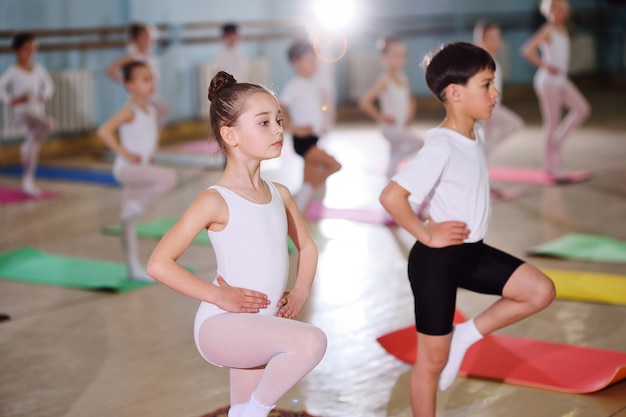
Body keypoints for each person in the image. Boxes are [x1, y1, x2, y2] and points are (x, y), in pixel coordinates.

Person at [379, 42, 555, 417]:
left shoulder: (473, 135)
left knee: (539, 291)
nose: (496, 94)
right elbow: (393, 196)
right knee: (431, 362)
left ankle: (467, 335)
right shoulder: (441, 146)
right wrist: (426, 235)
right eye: (487, 85)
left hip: (471, 252)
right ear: (455, 94)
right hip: (436, 263)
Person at [146, 71, 327, 417]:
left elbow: (308, 246)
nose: (277, 129)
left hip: (260, 323)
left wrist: (300, 291)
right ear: (230, 135)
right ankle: (253, 409)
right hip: (223, 325)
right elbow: (159, 263)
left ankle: (248, 411)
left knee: (245, 408)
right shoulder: (216, 200)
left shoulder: (280, 194)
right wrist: (218, 295)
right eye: (263, 123)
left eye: (278, 120)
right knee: (311, 341)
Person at [98, 61, 177, 281]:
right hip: (127, 169)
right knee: (169, 178)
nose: (151, 83)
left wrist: (151, 154)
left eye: (151, 78)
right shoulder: (129, 110)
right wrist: (123, 152)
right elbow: (104, 131)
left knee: (128, 222)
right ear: (130, 84)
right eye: (144, 79)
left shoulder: (150, 109)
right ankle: (136, 207)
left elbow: (149, 136)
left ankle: (133, 268)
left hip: (141, 169)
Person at [521, 0, 591, 180]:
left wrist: (563, 65)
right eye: (559, 9)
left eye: (565, 9)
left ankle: (557, 142)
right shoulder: (547, 30)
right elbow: (527, 50)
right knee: (552, 123)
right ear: (550, 11)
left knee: (582, 109)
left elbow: (560, 53)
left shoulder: (563, 29)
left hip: (561, 80)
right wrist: (546, 65)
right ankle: (551, 165)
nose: (563, 12)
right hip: (548, 82)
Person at [280, 39, 341, 212]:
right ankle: (302, 196)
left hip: (313, 138)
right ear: (296, 63)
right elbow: (278, 111)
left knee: (307, 180)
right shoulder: (294, 86)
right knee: (335, 165)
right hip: (303, 140)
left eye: (315, 61)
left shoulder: (313, 83)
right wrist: (295, 128)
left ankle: (297, 212)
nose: (315, 65)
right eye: (310, 61)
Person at [359, 35, 423, 179]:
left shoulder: (403, 78)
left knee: (393, 157)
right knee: (420, 143)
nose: (401, 59)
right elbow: (364, 101)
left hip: (401, 126)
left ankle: (389, 181)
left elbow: (410, 99)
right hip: (391, 128)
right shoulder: (384, 80)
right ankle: (394, 165)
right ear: (384, 57)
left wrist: (410, 115)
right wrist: (381, 117)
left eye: (403, 55)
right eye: (396, 55)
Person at [0, 32, 54, 196]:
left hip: (37, 112)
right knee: (49, 124)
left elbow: (49, 85)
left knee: (33, 146)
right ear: (17, 50)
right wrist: (11, 100)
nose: (30, 53)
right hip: (22, 112)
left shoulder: (38, 69)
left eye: (33, 49)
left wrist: (44, 97)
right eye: (26, 49)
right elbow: (0, 87)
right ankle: (26, 148)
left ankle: (28, 181)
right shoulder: (13, 70)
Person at [473, 21, 525, 161]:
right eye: (492, 37)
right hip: (488, 107)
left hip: (493, 107)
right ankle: (485, 151)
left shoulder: (491, 59)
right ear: (482, 39)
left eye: (498, 36)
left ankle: (484, 176)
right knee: (515, 124)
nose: (497, 41)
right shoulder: (482, 61)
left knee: (487, 139)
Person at [106, 22, 170, 128]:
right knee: (161, 110)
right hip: (139, 96)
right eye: (144, 36)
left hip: (150, 95)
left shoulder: (151, 57)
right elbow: (110, 69)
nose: (147, 39)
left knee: (157, 114)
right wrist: (125, 81)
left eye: (148, 36)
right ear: (137, 39)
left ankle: (151, 135)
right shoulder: (133, 56)